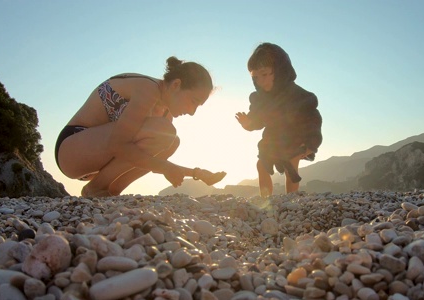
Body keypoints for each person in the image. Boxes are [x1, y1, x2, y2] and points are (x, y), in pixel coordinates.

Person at [55, 56, 226, 197]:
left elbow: (151, 160)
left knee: (171, 141)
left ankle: (111, 190)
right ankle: (95, 188)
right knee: (164, 132)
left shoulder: (164, 114)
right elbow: (118, 145)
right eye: (193, 101)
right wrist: (166, 168)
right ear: (176, 85)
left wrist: (197, 173)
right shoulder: (148, 89)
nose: (192, 112)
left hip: (95, 161)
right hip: (71, 150)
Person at [235, 43, 322, 197]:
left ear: (280, 71)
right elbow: (258, 120)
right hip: (272, 139)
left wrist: (311, 144)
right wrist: (248, 123)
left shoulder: (298, 96)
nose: (260, 81)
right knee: (261, 165)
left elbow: (312, 119)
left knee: (292, 169)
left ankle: (292, 199)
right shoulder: (260, 99)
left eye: (265, 74)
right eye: (255, 77)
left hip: (295, 138)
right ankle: (266, 199)